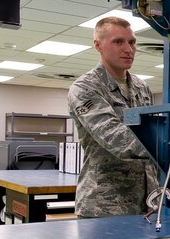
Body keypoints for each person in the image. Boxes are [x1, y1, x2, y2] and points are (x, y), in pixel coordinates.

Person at [68, 16, 159, 217]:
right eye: (118, 42)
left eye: (132, 42)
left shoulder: (141, 87)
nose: (129, 49)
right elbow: (116, 138)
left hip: (148, 204)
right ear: (98, 45)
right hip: (104, 206)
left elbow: (150, 130)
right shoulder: (85, 88)